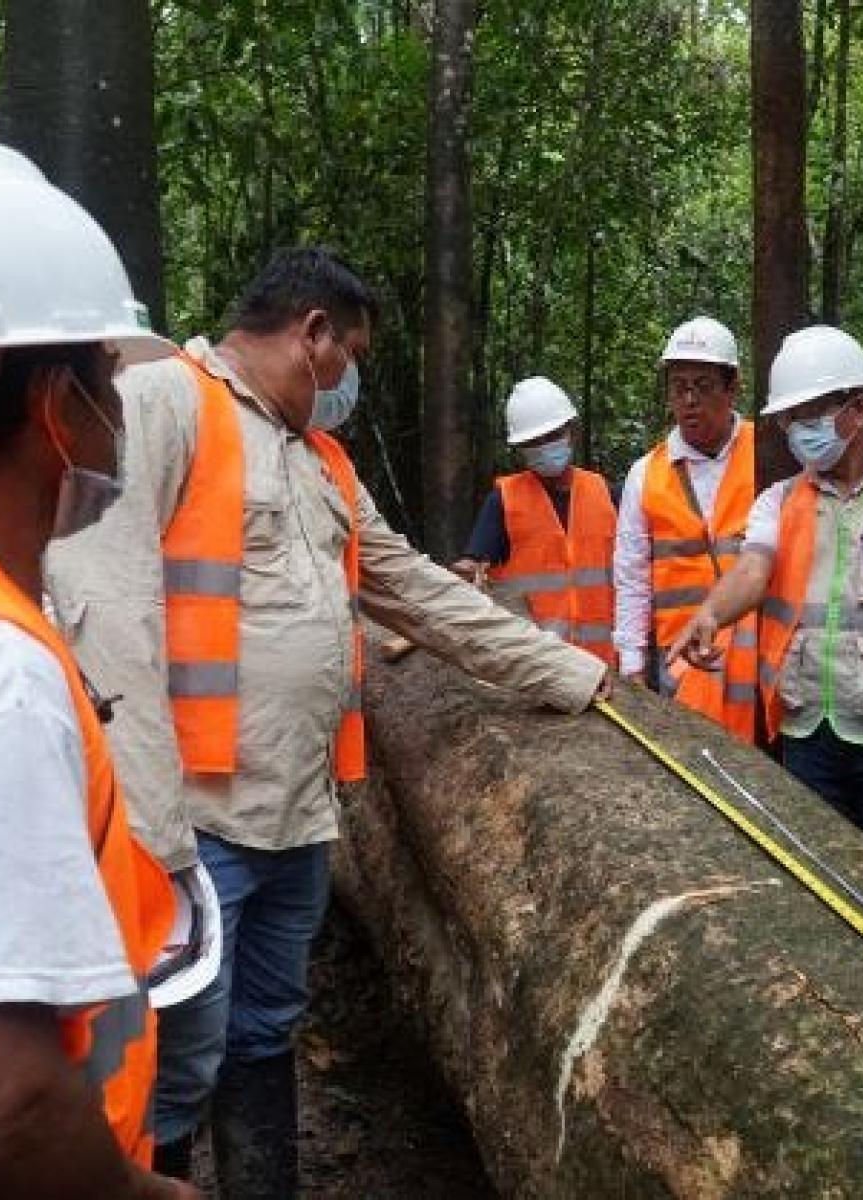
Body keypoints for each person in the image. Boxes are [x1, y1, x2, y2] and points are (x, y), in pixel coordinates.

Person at [45, 247, 611, 1197]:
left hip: (296, 816)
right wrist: (155, 837)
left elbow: (416, 589)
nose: (349, 376)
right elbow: (106, 618)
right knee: (175, 1058)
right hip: (190, 826)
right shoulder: (169, 405)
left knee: (265, 1029)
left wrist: (563, 669)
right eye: (349, 351)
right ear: (312, 335)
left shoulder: (323, 463)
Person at [0, 145, 194, 1197]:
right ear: (55, 404)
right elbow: (13, 1099)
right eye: (111, 380)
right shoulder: (9, 676)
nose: (123, 411)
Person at [668, 325, 863, 898]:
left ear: (858, 408)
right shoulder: (782, 500)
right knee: (818, 893)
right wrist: (710, 614)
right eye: (790, 420)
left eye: (812, 415)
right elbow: (753, 569)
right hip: (808, 734)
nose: (799, 433)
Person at [613, 315, 758, 741]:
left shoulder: (769, 453)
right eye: (679, 387)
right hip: (685, 667)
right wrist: (633, 668)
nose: (690, 400)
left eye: (703, 385)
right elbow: (632, 575)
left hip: (767, 669)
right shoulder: (646, 474)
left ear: (732, 388)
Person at [452, 376, 616, 665]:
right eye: (533, 442)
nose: (544, 447)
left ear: (571, 431)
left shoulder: (607, 494)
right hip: (536, 666)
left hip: (605, 666)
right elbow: (475, 562)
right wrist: (467, 572)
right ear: (521, 448)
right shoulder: (504, 501)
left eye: (552, 436)